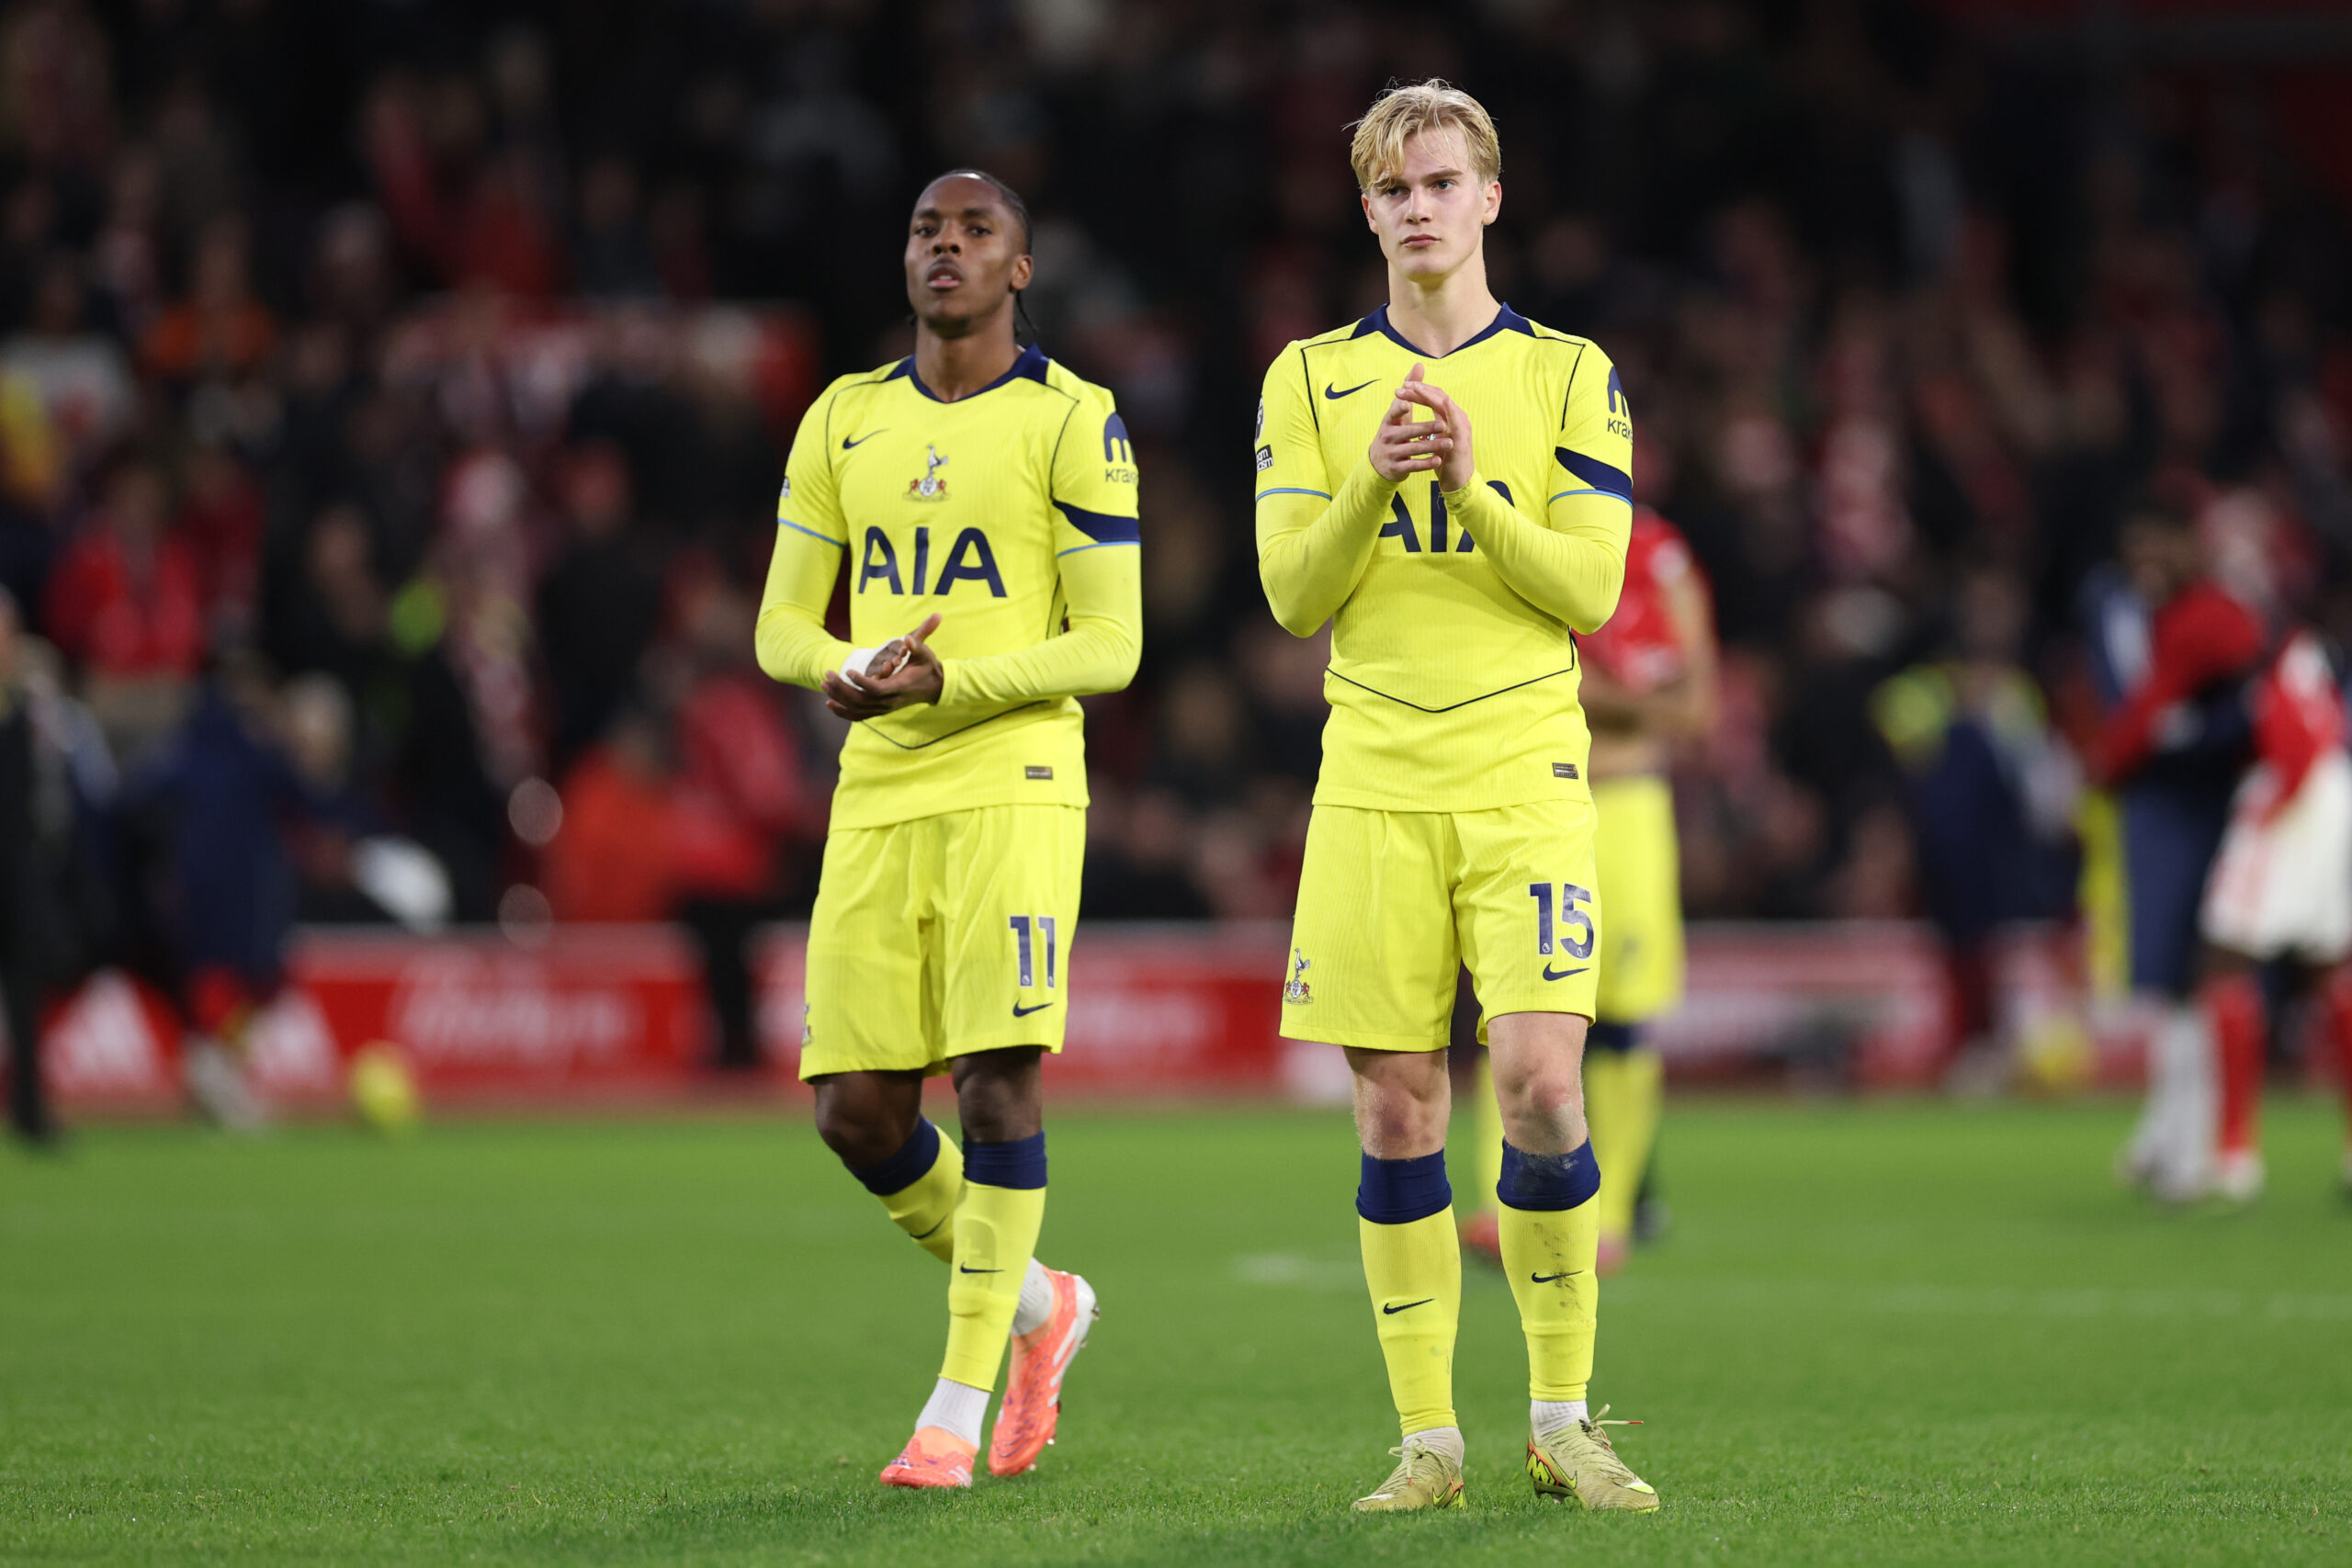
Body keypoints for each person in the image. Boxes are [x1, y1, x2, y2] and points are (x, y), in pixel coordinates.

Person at [1253, 82, 1656, 1514]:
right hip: (1372, 771)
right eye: (1394, 187)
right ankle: (1429, 1438)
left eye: (1442, 182)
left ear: (1490, 197)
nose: (1419, 206)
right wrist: (1371, 480)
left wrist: (1476, 490)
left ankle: (1562, 1416)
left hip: (1522, 765)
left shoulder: (1570, 373)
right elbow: (1293, 594)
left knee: (1541, 1084)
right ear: (1367, 211)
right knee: (1396, 1110)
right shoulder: (1309, 380)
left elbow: (1591, 590)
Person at [753, 170, 1142, 1490]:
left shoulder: (1072, 418)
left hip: (1014, 773)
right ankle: (1042, 1303)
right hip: (879, 781)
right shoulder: (843, 417)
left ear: (1020, 269)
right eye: (929, 229)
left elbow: (1112, 641)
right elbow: (780, 621)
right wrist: (841, 667)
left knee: (992, 1081)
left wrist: (951, 682)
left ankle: (952, 1412)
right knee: (855, 1114)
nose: (948, 248)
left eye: (978, 232)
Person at [1463, 502, 1717, 1275]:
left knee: (1621, 1017)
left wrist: (1582, 686)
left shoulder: (1660, 556)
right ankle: (1506, 1203)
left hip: (1625, 808)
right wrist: (1636, 698)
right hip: (1533, 799)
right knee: (1514, 1004)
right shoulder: (1512, 531)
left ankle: (1610, 1219)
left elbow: (1694, 709)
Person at [2086, 490, 2263, 1201]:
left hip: (2208, 803)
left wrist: (2168, 735)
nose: (2148, 561)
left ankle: (2191, 1145)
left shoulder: (2214, 615)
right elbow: (2135, 704)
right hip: (2157, 804)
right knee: (2168, 974)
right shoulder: (2118, 608)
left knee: (2198, 970)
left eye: (2161, 545)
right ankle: (2173, 1138)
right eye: (2139, 550)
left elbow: (2237, 708)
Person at [2192, 624, 2352, 1201]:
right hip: (2325, 802)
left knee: (2225, 958)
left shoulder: (2284, 665)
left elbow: (2301, 742)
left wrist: (2273, 803)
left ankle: (2235, 1155)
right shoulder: (2307, 662)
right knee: (2330, 967)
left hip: (2295, 808)